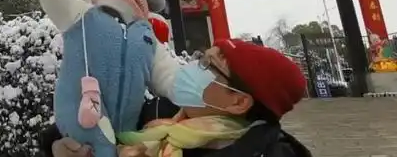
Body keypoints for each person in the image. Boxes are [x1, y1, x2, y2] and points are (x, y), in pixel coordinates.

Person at [44, 40, 312, 157]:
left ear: (239, 102)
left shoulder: (269, 153)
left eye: (208, 65)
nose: (193, 67)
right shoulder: (155, 115)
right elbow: (72, 132)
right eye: (200, 57)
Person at [31, 0, 181, 157]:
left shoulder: (146, 37)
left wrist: (192, 90)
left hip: (127, 135)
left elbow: (168, 74)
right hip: (80, 123)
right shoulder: (85, 16)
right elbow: (60, 1)